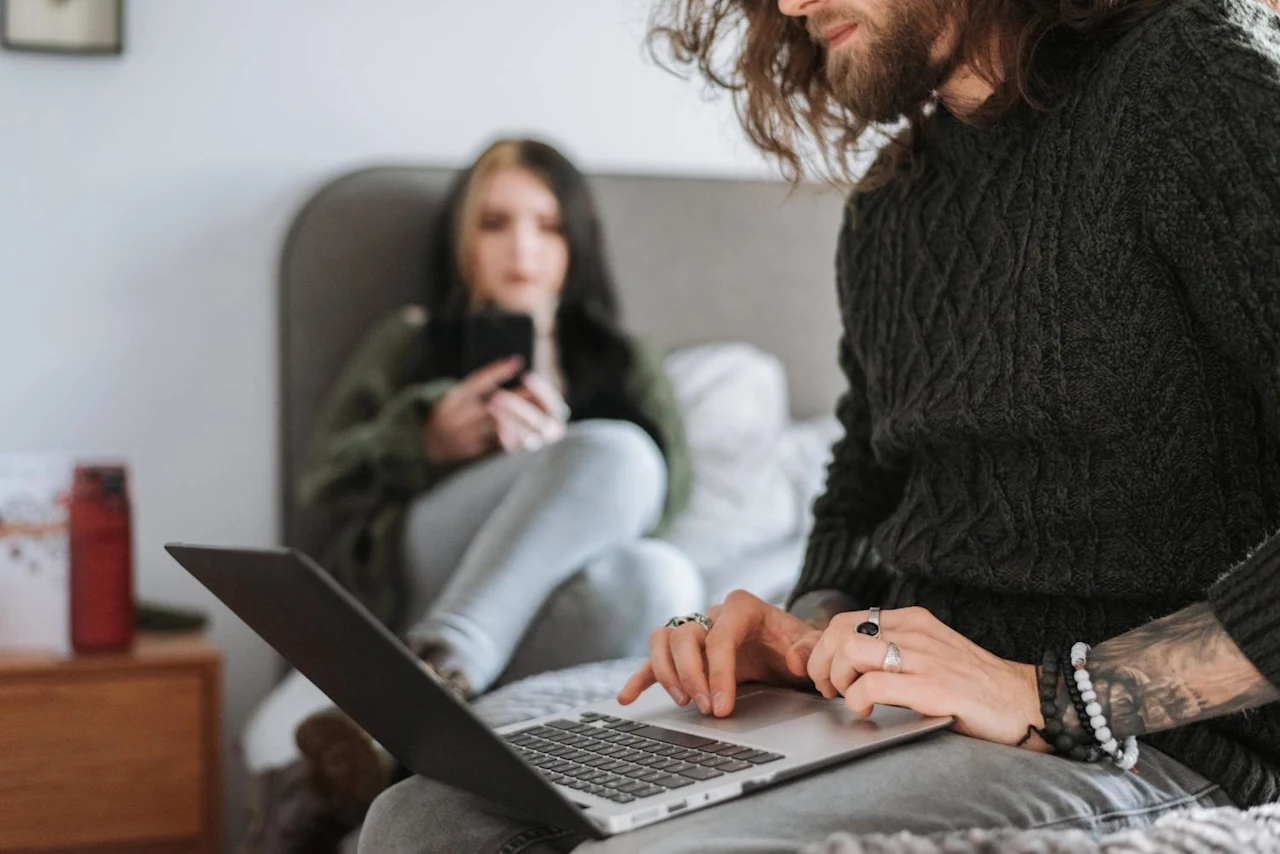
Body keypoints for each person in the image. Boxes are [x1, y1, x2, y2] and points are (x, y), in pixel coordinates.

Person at [357, 0, 1280, 851]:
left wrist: (1050, 696)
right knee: (423, 817)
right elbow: (858, 502)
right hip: (903, 709)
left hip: (1154, 744)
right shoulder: (890, 207)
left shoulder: (1184, 78)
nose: (793, 4)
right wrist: (806, 633)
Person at [281, 138, 702, 849]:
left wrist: (565, 466)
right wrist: (425, 441)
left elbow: (668, 496)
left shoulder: (622, 360)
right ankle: (435, 667)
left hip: (552, 603)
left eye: (548, 226)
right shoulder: (411, 341)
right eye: (495, 222)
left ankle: (452, 713)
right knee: (622, 451)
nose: (523, 249)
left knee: (662, 573)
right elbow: (324, 481)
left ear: (577, 242)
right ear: (461, 236)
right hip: (425, 569)